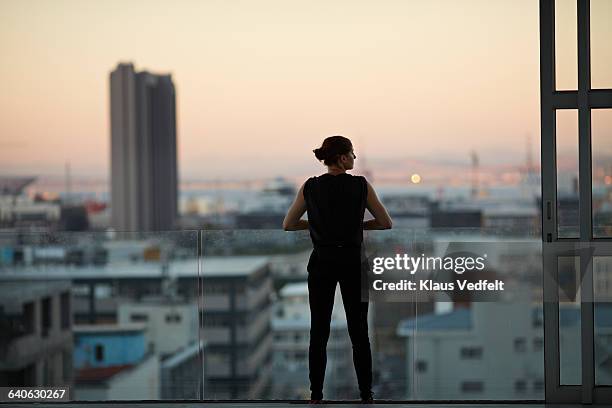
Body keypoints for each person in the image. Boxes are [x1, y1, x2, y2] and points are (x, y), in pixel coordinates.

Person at [282, 135, 393, 404]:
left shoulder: (310, 187)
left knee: (318, 331)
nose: (355, 158)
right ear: (342, 158)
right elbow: (385, 222)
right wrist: (357, 226)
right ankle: (366, 395)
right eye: (352, 154)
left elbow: (288, 223)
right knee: (359, 333)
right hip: (353, 264)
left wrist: (318, 226)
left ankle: (316, 395)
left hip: (322, 263)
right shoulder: (360, 185)